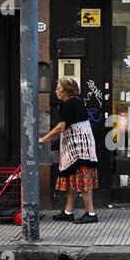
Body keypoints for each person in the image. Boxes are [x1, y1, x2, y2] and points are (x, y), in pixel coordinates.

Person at [39, 77, 99, 224]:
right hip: (77, 148)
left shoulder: (70, 103)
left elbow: (61, 127)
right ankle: (68, 212)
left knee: (83, 181)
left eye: (58, 87)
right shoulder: (72, 103)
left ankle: (91, 214)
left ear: (66, 90)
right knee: (72, 180)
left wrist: (43, 139)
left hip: (80, 149)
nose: (56, 90)